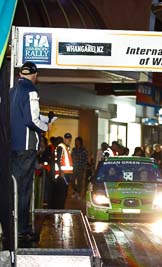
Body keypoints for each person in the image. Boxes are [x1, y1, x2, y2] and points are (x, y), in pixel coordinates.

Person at [10, 61, 51, 240]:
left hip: (12, 146)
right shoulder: (31, 91)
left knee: (13, 187)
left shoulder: (11, 91)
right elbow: (31, 120)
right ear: (34, 74)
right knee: (24, 189)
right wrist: (45, 126)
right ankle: (22, 229)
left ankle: (11, 225)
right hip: (26, 147)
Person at [50, 133, 74, 209]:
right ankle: (59, 210)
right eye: (67, 138)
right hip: (62, 175)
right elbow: (58, 161)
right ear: (64, 139)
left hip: (66, 174)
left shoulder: (66, 148)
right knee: (61, 194)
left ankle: (59, 209)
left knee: (62, 194)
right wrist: (61, 172)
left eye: (70, 138)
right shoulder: (62, 147)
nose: (69, 140)